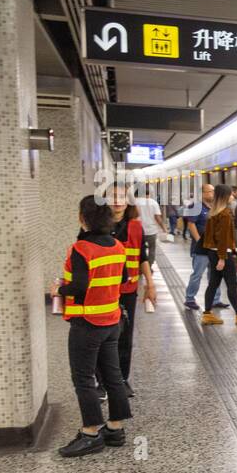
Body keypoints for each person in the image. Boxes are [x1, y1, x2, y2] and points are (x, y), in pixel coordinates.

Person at [54, 195, 133, 457]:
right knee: (113, 376)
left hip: (87, 323)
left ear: (82, 218)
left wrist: (58, 289)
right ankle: (115, 429)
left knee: (84, 379)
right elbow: (123, 278)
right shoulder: (118, 246)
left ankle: (90, 434)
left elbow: (78, 287)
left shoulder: (81, 249)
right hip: (112, 321)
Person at [200, 184, 237, 326]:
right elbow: (223, 238)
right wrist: (222, 258)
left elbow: (209, 237)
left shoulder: (212, 212)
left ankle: (207, 314)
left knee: (213, 284)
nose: (232, 196)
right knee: (231, 284)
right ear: (225, 196)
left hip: (212, 253)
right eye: (230, 194)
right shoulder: (225, 213)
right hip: (222, 254)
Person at [109, 191, 145, 395]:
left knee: (125, 334)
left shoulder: (136, 226)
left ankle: (122, 378)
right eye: (112, 196)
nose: (117, 200)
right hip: (101, 290)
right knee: (103, 337)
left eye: (121, 196)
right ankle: (102, 381)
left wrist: (149, 284)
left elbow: (142, 257)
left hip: (128, 289)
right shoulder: (95, 226)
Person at [132, 188, 164, 313]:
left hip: (138, 230)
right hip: (151, 231)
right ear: (147, 194)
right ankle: (148, 268)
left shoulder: (134, 202)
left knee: (138, 250)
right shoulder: (153, 202)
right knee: (151, 250)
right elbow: (158, 217)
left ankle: (139, 267)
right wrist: (163, 228)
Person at [183, 184, 214, 309]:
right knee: (198, 274)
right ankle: (190, 299)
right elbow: (191, 224)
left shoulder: (213, 207)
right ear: (203, 193)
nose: (213, 193)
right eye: (211, 191)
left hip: (214, 247)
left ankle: (215, 299)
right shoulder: (196, 206)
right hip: (201, 248)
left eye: (213, 191)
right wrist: (199, 241)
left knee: (214, 274)